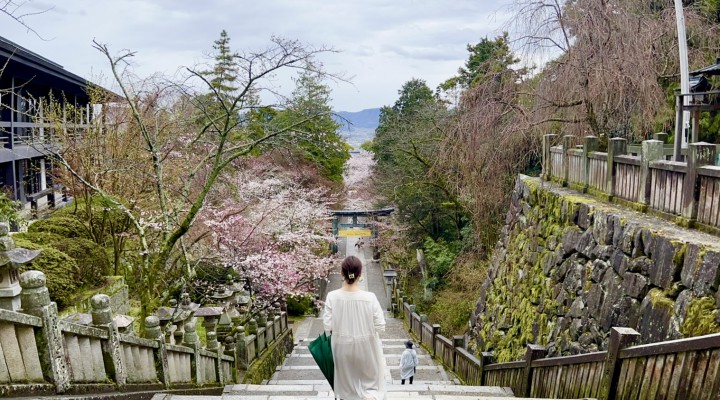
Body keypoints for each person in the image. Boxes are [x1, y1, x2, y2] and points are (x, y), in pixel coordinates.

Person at [323, 255, 386, 400]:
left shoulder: (332, 296)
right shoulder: (370, 297)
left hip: (341, 347)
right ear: (360, 274)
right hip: (367, 347)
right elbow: (381, 326)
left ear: (341, 273)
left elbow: (328, 326)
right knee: (371, 387)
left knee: (346, 390)